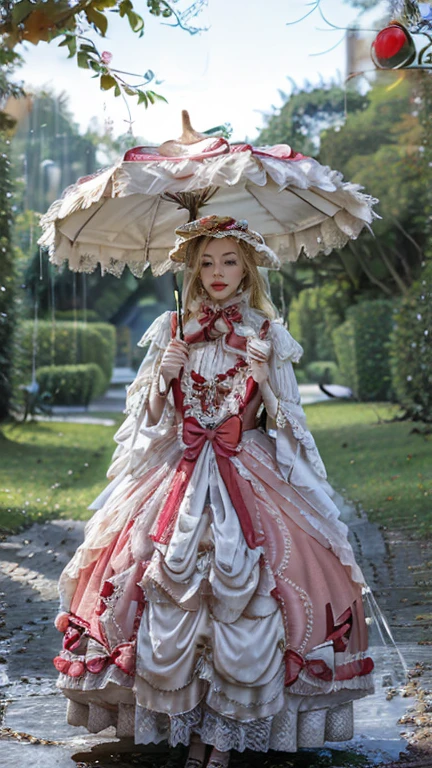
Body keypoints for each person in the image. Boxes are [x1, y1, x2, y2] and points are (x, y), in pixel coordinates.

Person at [53, 215, 374, 768]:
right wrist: (163, 374)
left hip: (247, 467)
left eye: (229, 261)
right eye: (206, 262)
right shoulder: (172, 328)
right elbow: (152, 418)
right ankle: (187, 729)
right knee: (166, 585)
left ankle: (225, 734)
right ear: (192, 270)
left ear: (247, 269)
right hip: (180, 472)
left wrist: (266, 375)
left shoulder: (268, 334)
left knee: (241, 597)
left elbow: (284, 421)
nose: (218, 272)